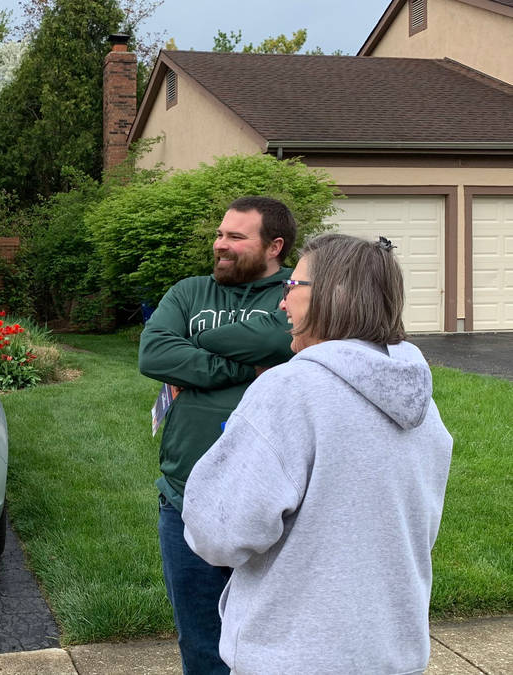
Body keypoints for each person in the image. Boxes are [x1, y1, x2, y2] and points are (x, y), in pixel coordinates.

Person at [182, 234, 453, 674]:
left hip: (295, 656)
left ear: (336, 295)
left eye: (293, 288)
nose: (282, 305)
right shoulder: (419, 400)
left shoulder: (290, 390)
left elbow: (220, 534)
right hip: (394, 654)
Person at [138, 196, 298, 674]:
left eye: (235, 237)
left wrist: (194, 342)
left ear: (275, 246)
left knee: (274, 640)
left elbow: (282, 338)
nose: (220, 245)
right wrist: (249, 364)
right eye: (220, 234)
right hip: (185, 497)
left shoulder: (293, 294)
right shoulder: (189, 291)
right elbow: (154, 352)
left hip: (271, 502)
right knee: (202, 640)